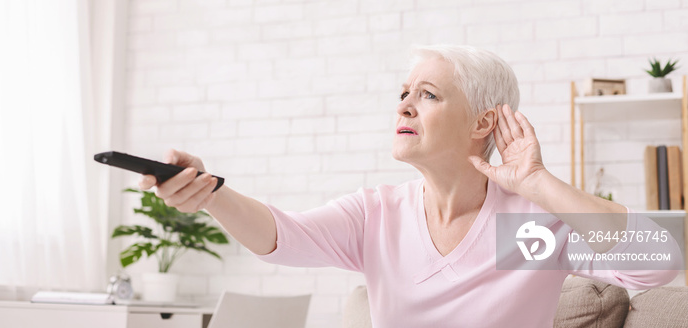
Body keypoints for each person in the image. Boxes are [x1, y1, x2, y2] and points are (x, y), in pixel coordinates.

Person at [139, 45, 682, 327]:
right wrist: (210, 193)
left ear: (481, 122)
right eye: (404, 92)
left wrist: (540, 183)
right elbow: (285, 236)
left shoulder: (529, 222)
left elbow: (660, 262)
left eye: (427, 94)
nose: (403, 105)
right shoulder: (377, 214)